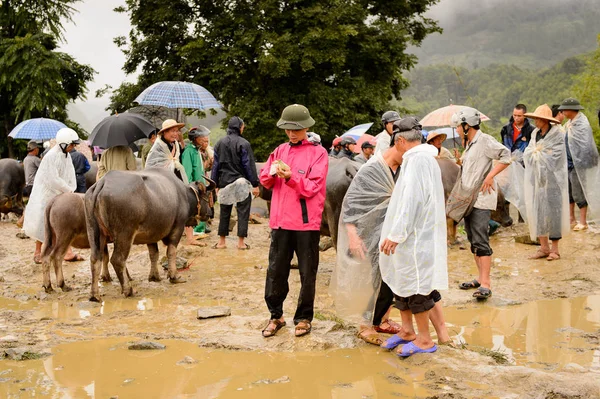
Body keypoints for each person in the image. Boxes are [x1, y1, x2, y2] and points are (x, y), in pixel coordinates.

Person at [331, 118, 450, 347]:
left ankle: (385, 320)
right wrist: (353, 237)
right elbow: (351, 205)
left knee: (395, 284)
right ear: (399, 143)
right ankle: (365, 325)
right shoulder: (372, 169)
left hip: (399, 236)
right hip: (371, 234)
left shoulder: (409, 164)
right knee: (371, 282)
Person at [379, 118, 448, 357]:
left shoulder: (419, 160)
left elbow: (413, 200)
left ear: (400, 140)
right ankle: (407, 331)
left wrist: (397, 234)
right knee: (403, 283)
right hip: (409, 236)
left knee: (418, 288)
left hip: (416, 236)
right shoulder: (418, 158)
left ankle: (425, 340)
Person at [260, 104, 328, 338]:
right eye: (288, 129)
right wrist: (269, 175)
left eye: (296, 130)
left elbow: (313, 188)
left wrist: (290, 178)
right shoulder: (279, 151)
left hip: (305, 224)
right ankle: (275, 316)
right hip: (279, 223)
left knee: (307, 273)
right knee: (275, 271)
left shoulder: (319, 153)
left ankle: (304, 318)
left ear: (307, 127)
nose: (291, 134)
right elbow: (265, 181)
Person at [447, 107, 510, 300]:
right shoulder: (471, 145)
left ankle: (486, 284)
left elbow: (506, 156)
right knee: (473, 240)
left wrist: (490, 176)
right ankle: (480, 278)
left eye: (458, 126)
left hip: (481, 200)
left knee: (481, 241)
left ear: (467, 126)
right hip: (468, 200)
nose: (457, 130)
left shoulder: (484, 141)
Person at [23, 128, 82, 264]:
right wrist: (68, 189)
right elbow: (52, 179)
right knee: (42, 224)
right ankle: (38, 252)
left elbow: (70, 173)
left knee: (64, 224)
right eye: (71, 144)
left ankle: (67, 252)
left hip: (60, 193)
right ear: (63, 144)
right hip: (47, 194)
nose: (73, 147)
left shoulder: (66, 156)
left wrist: (71, 189)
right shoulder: (51, 156)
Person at [522, 105, 569, 261]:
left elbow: (557, 156)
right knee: (539, 212)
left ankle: (555, 250)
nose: (535, 121)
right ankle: (543, 247)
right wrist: (536, 153)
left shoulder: (556, 134)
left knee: (554, 213)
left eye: (537, 119)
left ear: (545, 120)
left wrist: (539, 153)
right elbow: (528, 151)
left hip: (553, 180)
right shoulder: (535, 134)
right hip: (537, 179)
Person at [211, 116, 259, 250]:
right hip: (241, 183)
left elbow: (216, 165)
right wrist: (255, 184)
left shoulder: (219, 143)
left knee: (224, 211)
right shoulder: (244, 143)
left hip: (224, 182)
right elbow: (249, 165)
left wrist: (215, 184)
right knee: (243, 211)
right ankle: (241, 243)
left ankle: (221, 242)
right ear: (240, 127)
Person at [559, 98, 599, 231]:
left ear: (572, 110)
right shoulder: (569, 123)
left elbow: (585, 146)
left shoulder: (582, 124)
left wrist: (580, 161)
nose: (563, 111)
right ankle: (572, 218)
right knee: (570, 192)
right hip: (569, 163)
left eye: (565, 109)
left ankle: (583, 221)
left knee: (578, 192)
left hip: (579, 163)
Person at [181, 126, 210, 246]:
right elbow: (187, 172)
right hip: (193, 188)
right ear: (196, 138)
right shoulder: (188, 151)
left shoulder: (197, 151)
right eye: (203, 139)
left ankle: (197, 232)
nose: (206, 141)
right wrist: (191, 188)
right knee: (191, 212)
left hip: (201, 187)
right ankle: (192, 236)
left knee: (200, 210)